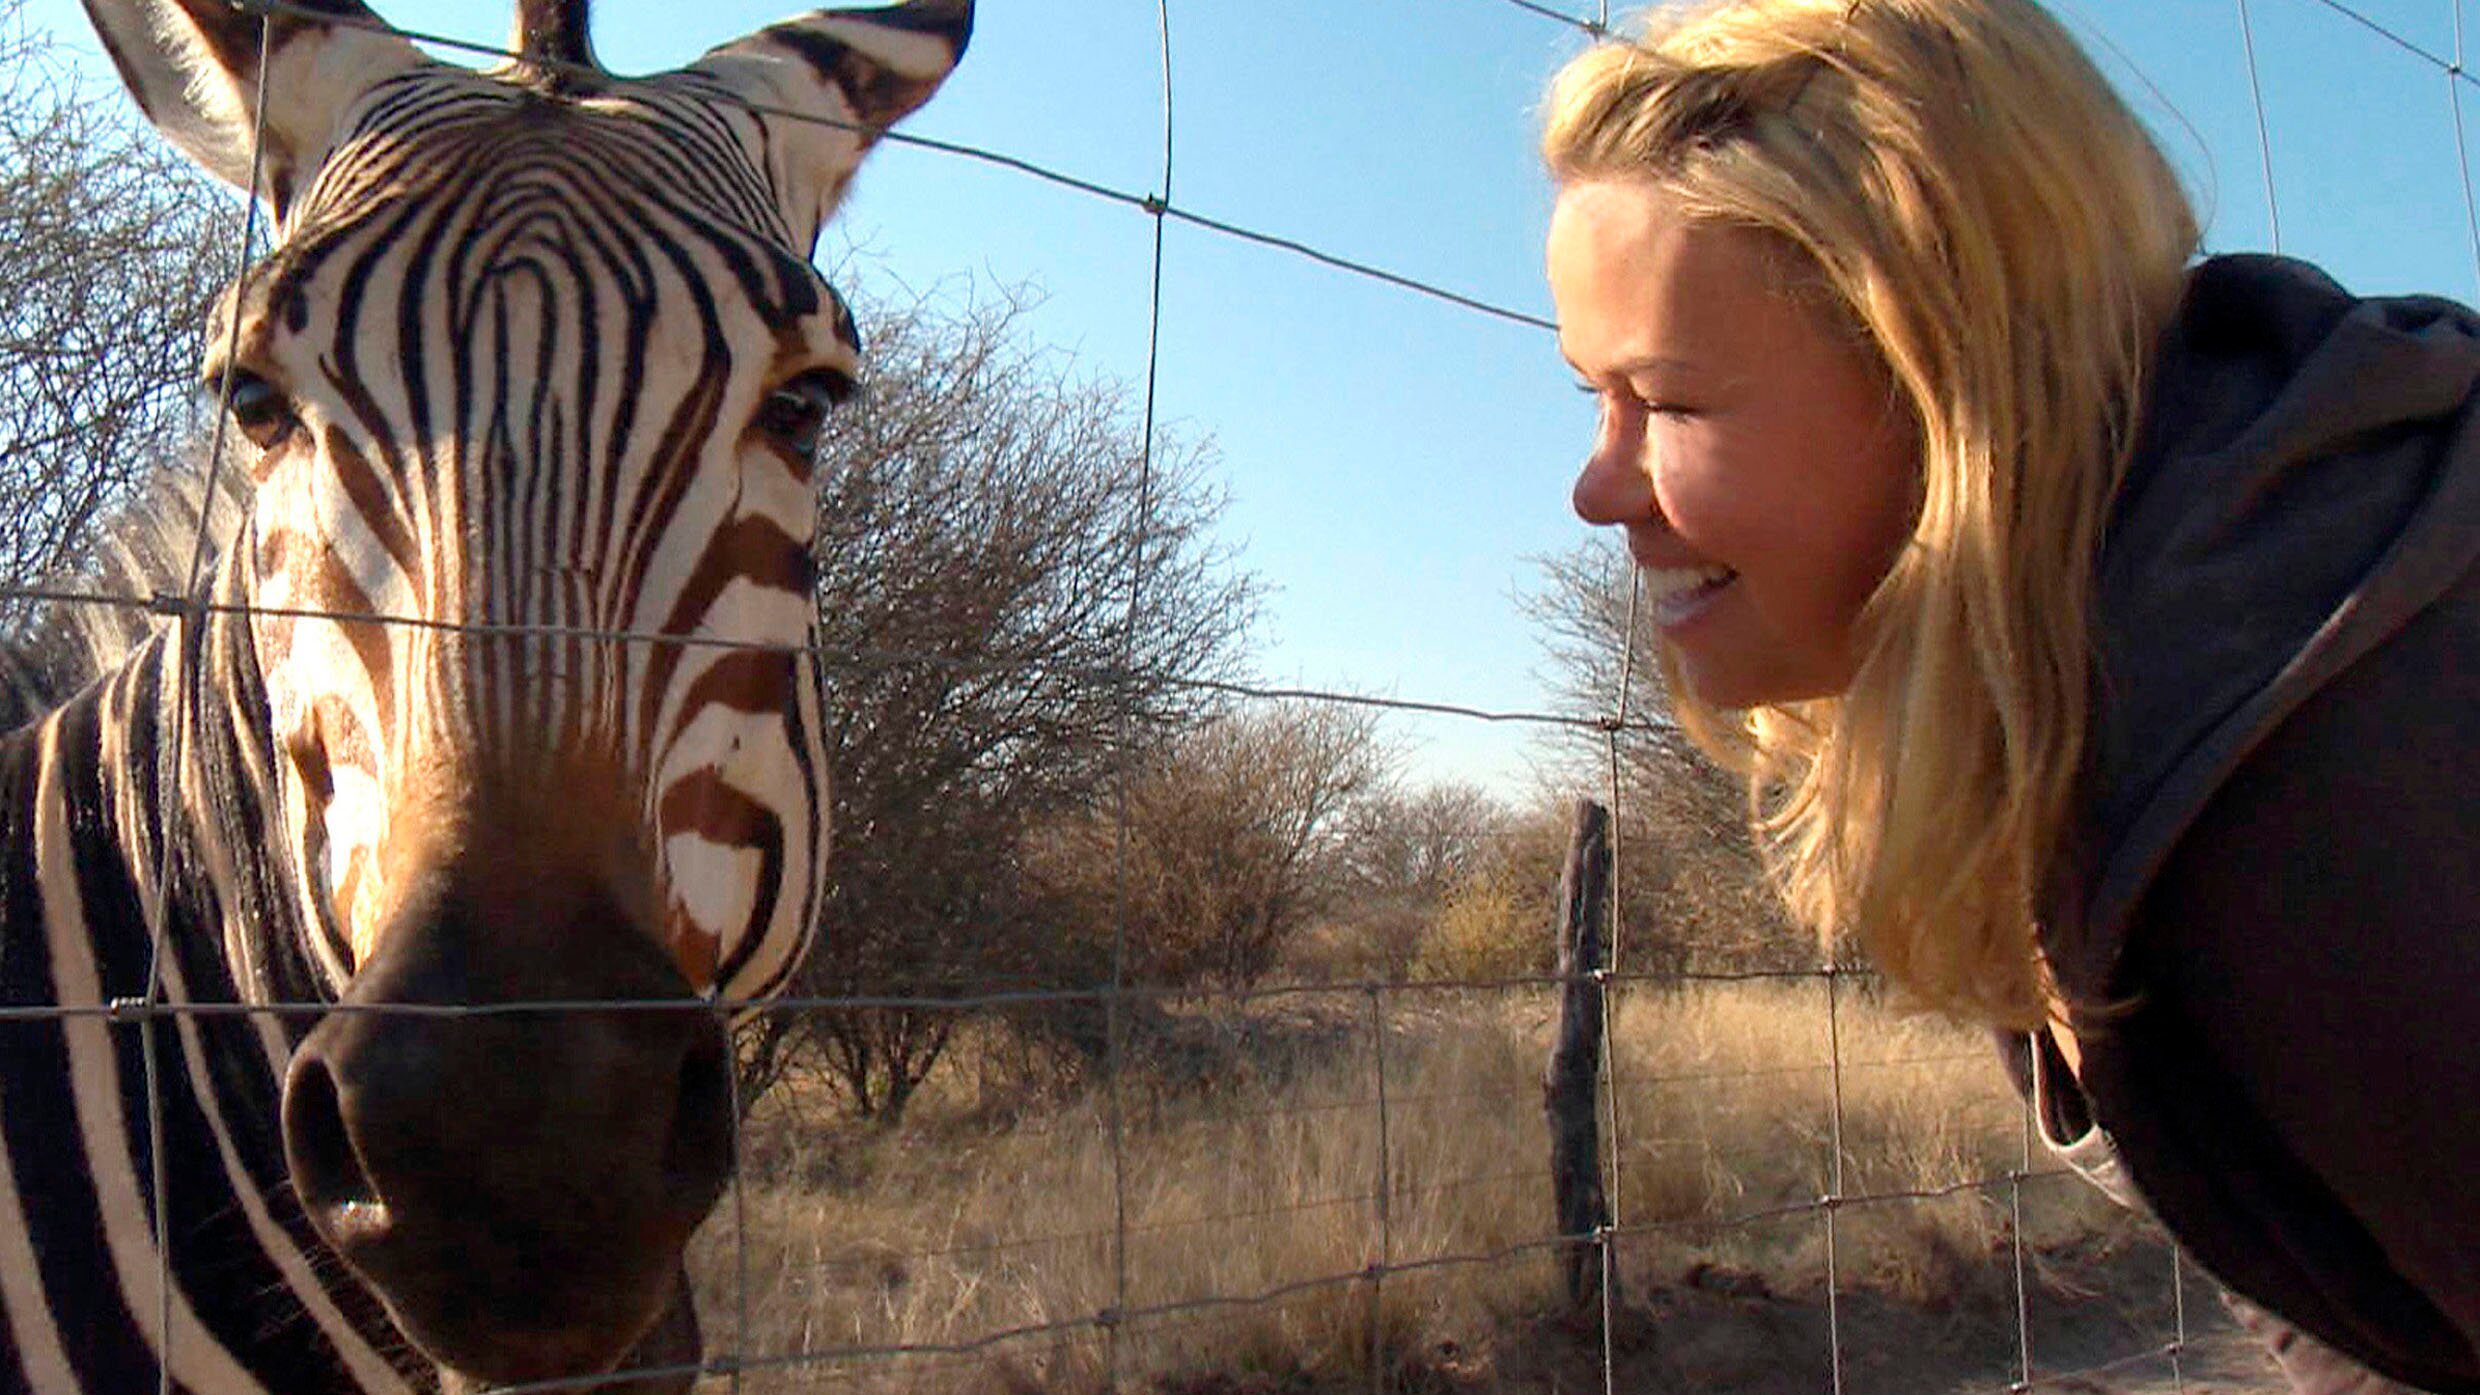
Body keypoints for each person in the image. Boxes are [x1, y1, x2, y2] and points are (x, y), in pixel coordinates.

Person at [1539, 1, 2480, 1391]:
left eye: (1667, 405)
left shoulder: (2278, 768)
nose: (1595, 487)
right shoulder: (2084, 667)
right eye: (1591, 400)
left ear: (1947, 374)